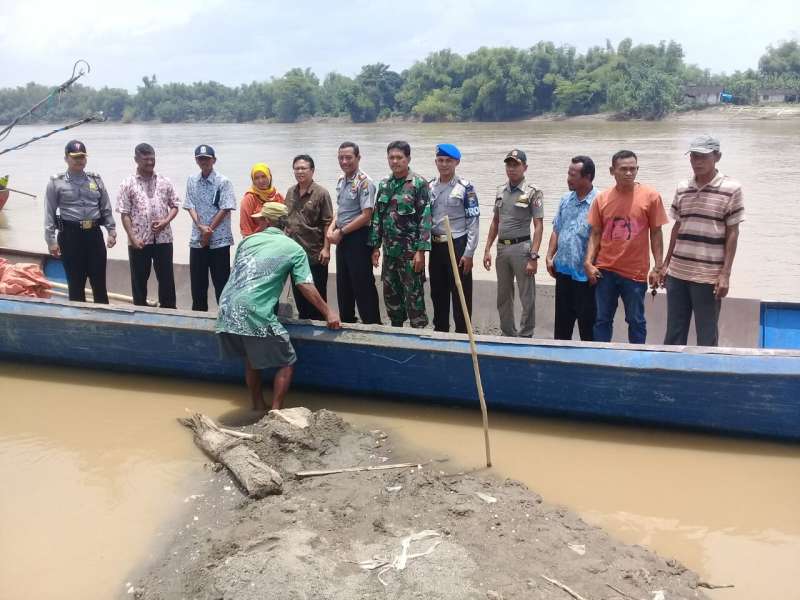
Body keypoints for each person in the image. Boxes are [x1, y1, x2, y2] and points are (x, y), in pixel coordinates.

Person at [216, 202, 340, 412]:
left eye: (260, 220)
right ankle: (276, 413)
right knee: (287, 360)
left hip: (226, 307)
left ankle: (256, 406)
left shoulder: (248, 241)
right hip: (253, 311)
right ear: (287, 225)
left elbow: (240, 274)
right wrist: (328, 311)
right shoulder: (294, 248)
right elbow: (304, 285)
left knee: (251, 358)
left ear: (266, 221)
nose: (258, 223)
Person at [660, 135, 743, 346]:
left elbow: (733, 232)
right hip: (677, 272)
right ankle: (670, 375)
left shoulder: (732, 189)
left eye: (703, 157)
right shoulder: (682, 187)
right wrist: (665, 265)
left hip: (708, 276)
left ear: (717, 157)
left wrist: (725, 274)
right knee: (674, 333)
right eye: (694, 156)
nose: (697, 161)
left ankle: (707, 375)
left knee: (706, 335)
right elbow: (677, 226)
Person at [584, 150, 668, 344]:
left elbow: (656, 233)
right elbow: (595, 233)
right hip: (605, 271)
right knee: (602, 319)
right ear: (612, 171)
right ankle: (600, 358)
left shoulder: (651, 196)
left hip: (635, 273)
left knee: (636, 320)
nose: (629, 173)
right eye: (624, 169)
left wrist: (658, 267)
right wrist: (588, 262)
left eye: (633, 169)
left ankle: (637, 361)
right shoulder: (602, 199)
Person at [368, 140, 432, 328]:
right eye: (391, 157)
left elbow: (425, 219)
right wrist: (375, 247)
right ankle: (396, 331)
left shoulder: (419, 184)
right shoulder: (384, 184)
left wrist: (421, 251)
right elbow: (377, 217)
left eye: (399, 157)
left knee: (414, 297)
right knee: (391, 295)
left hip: (410, 254)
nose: (395, 161)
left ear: (408, 158)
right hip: (389, 253)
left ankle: (419, 332)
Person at [44, 140, 116, 303]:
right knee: (76, 285)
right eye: (75, 157)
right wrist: (51, 241)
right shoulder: (56, 182)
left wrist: (111, 231)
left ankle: (103, 323)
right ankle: (78, 325)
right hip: (70, 237)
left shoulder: (95, 180)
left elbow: (105, 207)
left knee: (99, 283)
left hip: (94, 235)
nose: (79, 160)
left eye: (82, 157)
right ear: (66, 159)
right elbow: (49, 212)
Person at [483, 149, 544, 338]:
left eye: (516, 165)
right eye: (509, 165)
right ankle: (507, 332)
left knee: (527, 296)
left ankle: (526, 334)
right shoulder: (500, 190)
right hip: (502, 248)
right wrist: (486, 249)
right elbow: (495, 221)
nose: (511, 168)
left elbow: (539, 225)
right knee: (503, 295)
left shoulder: (533, 192)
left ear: (525, 167)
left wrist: (533, 256)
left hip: (522, 248)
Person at [116, 143, 179, 308]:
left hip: (163, 239)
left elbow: (175, 205)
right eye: (146, 159)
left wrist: (166, 221)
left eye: (152, 159)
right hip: (139, 241)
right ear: (136, 159)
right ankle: (140, 312)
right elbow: (124, 213)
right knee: (139, 281)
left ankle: (169, 312)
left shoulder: (165, 181)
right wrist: (132, 238)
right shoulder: (127, 183)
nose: (150, 162)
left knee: (166, 280)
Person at [326, 142, 381, 324]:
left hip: (358, 237)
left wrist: (340, 231)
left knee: (362, 283)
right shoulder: (342, 180)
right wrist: (331, 228)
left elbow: (366, 215)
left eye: (348, 157)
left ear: (358, 158)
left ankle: (372, 323)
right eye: (341, 157)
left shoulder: (365, 182)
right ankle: (348, 321)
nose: (344, 161)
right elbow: (342, 210)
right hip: (342, 238)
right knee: (344, 283)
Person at [428, 143, 480, 333]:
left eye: (448, 161)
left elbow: (473, 222)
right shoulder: (430, 186)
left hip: (457, 244)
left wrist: (469, 253)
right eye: (440, 161)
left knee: (461, 295)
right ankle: (441, 332)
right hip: (436, 246)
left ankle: (463, 334)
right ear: (436, 162)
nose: (444, 165)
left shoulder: (466, 188)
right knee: (438, 293)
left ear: (456, 162)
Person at [545, 156, 598, 341]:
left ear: (587, 177)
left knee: (587, 328)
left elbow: (599, 237)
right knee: (562, 328)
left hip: (585, 277)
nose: (568, 178)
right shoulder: (565, 199)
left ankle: (589, 364)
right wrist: (549, 256)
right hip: (563, 272)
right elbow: (556, 229)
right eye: (568, 173)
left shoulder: (599, 202)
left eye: (573, 175)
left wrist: (591, 264)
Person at [183, 144, 236, 312]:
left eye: (206, 159)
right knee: (198, 283)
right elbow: (189, 204)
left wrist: (209, 230)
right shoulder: (192, 180)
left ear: (214, 160)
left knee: (221, 282)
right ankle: (198, 316)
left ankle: (226, 317)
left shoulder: (223, 182)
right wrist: (200, 227)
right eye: (200, 159)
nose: (203, 161)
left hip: (219, 240)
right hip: (198, 240)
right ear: (196, 160)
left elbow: (226, 207)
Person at [285, 154, 334, 320]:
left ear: (312, 170)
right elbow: (286, 220)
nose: (300, 171)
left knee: (317, 296)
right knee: (300, 296)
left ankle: (321, 328)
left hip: (315, 254)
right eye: (297, 168)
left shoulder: (321, 194)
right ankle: (303, 327)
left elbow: (328, 222)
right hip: (294, 254)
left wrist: (327, 249)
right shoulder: (290, 192)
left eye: (303, 168)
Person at [240, 163, 284, 237]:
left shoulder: (277, 196)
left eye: (264, 176)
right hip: (257, 241)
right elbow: (245, 228)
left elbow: (286, 222)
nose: (261, 181)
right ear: (253, 180)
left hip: (278, 240)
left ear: (269, 177)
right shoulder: (249, 199)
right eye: (256, 178)